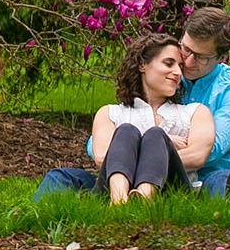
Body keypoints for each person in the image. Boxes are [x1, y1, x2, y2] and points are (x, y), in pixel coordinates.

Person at [32, 6, 230, 199]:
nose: (186, 63)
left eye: (199, 57)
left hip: (198, 175)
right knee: (64, 176)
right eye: (185, 49)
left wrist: (151, 146)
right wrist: (132, 144)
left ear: (221, 58)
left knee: (218, 180)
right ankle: (33, 217)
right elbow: (111, 135)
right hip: (129, 171)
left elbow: (210, 150)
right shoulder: (165, 76)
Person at [90, 33, 211, 202]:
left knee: (155, 135)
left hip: (171, 192)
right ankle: (119, 201)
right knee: (126, 131)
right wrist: (164, 143)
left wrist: (160, 142)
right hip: (110, 189)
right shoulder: (110, 113)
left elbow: (196, 156)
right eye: (169, 63)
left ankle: (144, 198)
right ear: (142, 64)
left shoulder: (195, 112)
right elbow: (102, 157)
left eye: (180, 66)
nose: (177, 72)